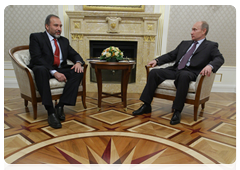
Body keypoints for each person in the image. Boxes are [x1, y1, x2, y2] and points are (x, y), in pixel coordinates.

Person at [132, 21, 224, 125]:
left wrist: (210, 66)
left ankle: (177, 111)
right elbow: (172, 55)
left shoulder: (210, 46)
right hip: (176, 70)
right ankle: (146, 105)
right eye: (192, 29)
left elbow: (219, 58)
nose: (191, 32)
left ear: (204, 31)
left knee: (183, 75)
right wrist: (157, 61)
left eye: (194, 30)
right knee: (154, 73)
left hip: (191, 73)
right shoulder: (185, 43)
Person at [28, 14, 85, 129]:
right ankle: (50, 112)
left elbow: (74, 54)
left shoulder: (64, 41)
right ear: (47, 26)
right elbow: (37, 58)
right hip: (43, 68)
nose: (59, 29)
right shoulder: (36, 37)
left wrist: (78, 62)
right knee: (40, 70)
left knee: (78, 71)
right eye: (56, 25)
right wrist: (54, 72)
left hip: (60, 67)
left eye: (60, 26)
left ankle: (60, 105)